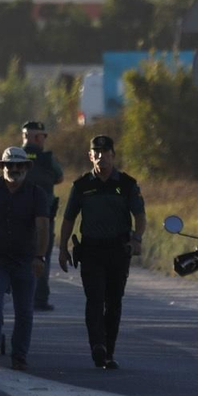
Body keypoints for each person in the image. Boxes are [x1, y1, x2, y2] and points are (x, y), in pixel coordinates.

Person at [57, 136, 143, 369]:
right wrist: (63, 248)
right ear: (90, 156)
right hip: (91, 250)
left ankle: (109, 351)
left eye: (105, 152)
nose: (101, 156)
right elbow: (68, 219)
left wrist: (137, 239)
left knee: (113, 302)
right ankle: (97, 346)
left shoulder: (126, 184)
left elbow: (140, 215)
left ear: (113, 155)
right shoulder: (82, 186)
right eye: (96, 152)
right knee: (95, 299)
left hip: (118, 250)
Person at [0, 147, 52, 370]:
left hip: (25, 259)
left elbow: (43, 227)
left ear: (26, 167)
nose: (14, 169)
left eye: (19, 165)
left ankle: (19, 355)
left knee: (24, 309)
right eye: (9, 165)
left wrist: (39, 257)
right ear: (2, 167)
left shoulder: (36, 193)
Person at [23, 121, 63, 311]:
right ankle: (39, 299)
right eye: (43, 136)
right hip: (44, 216)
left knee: (20, 256)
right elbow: (60, 177)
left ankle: (22, 296)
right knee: (42, 255)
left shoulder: (16, 156)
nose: (44, 140)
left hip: (20, 215)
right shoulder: (47, 158)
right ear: (37, 137)